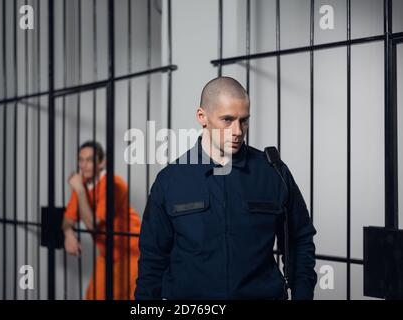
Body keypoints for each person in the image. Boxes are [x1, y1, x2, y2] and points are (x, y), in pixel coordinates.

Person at [135, 77, 317, 300]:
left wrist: (302, 295)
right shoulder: (170, 181)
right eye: (227, 120)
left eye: (244, 120)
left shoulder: (274, 173)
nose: (238, 131)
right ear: (202, 117)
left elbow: (299, 240)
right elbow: (152, 260)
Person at [63, 141, 141, 300]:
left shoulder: (114, 184)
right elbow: (67, 219)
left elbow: (93, 224)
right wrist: (68, 233)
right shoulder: (83, 185)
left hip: (132, 251)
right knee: (93, 296)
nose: (84, 165)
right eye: (81, 160)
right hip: (108, 253)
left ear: (102, 162)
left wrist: (78, 189)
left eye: (90, 160)